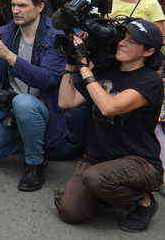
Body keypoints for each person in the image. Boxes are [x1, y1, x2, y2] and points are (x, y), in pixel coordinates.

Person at [0, 0, 83, 190]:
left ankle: (34, 163)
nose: (15, 10)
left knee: (24, 102)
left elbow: (48, 80)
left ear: (40, 6)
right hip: (9, 112)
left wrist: (9, 56)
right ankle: (25, 140)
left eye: (22, 5)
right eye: (14, 5)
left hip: (43, 110)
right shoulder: (7, 32)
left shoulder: (55, 36)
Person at [55, 19, 164, 232]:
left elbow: (109, 107)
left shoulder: (149, 81)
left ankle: (142, 201)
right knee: (71, 212)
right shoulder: (106, 71)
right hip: (99, 159)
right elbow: (65, 102)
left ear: (148, 51)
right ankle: (108, 194)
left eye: (132, 41)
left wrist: (85, 67)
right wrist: (71, 64)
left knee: (95, 178)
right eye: (123, 38)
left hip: (138, 161)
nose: (122, 43)